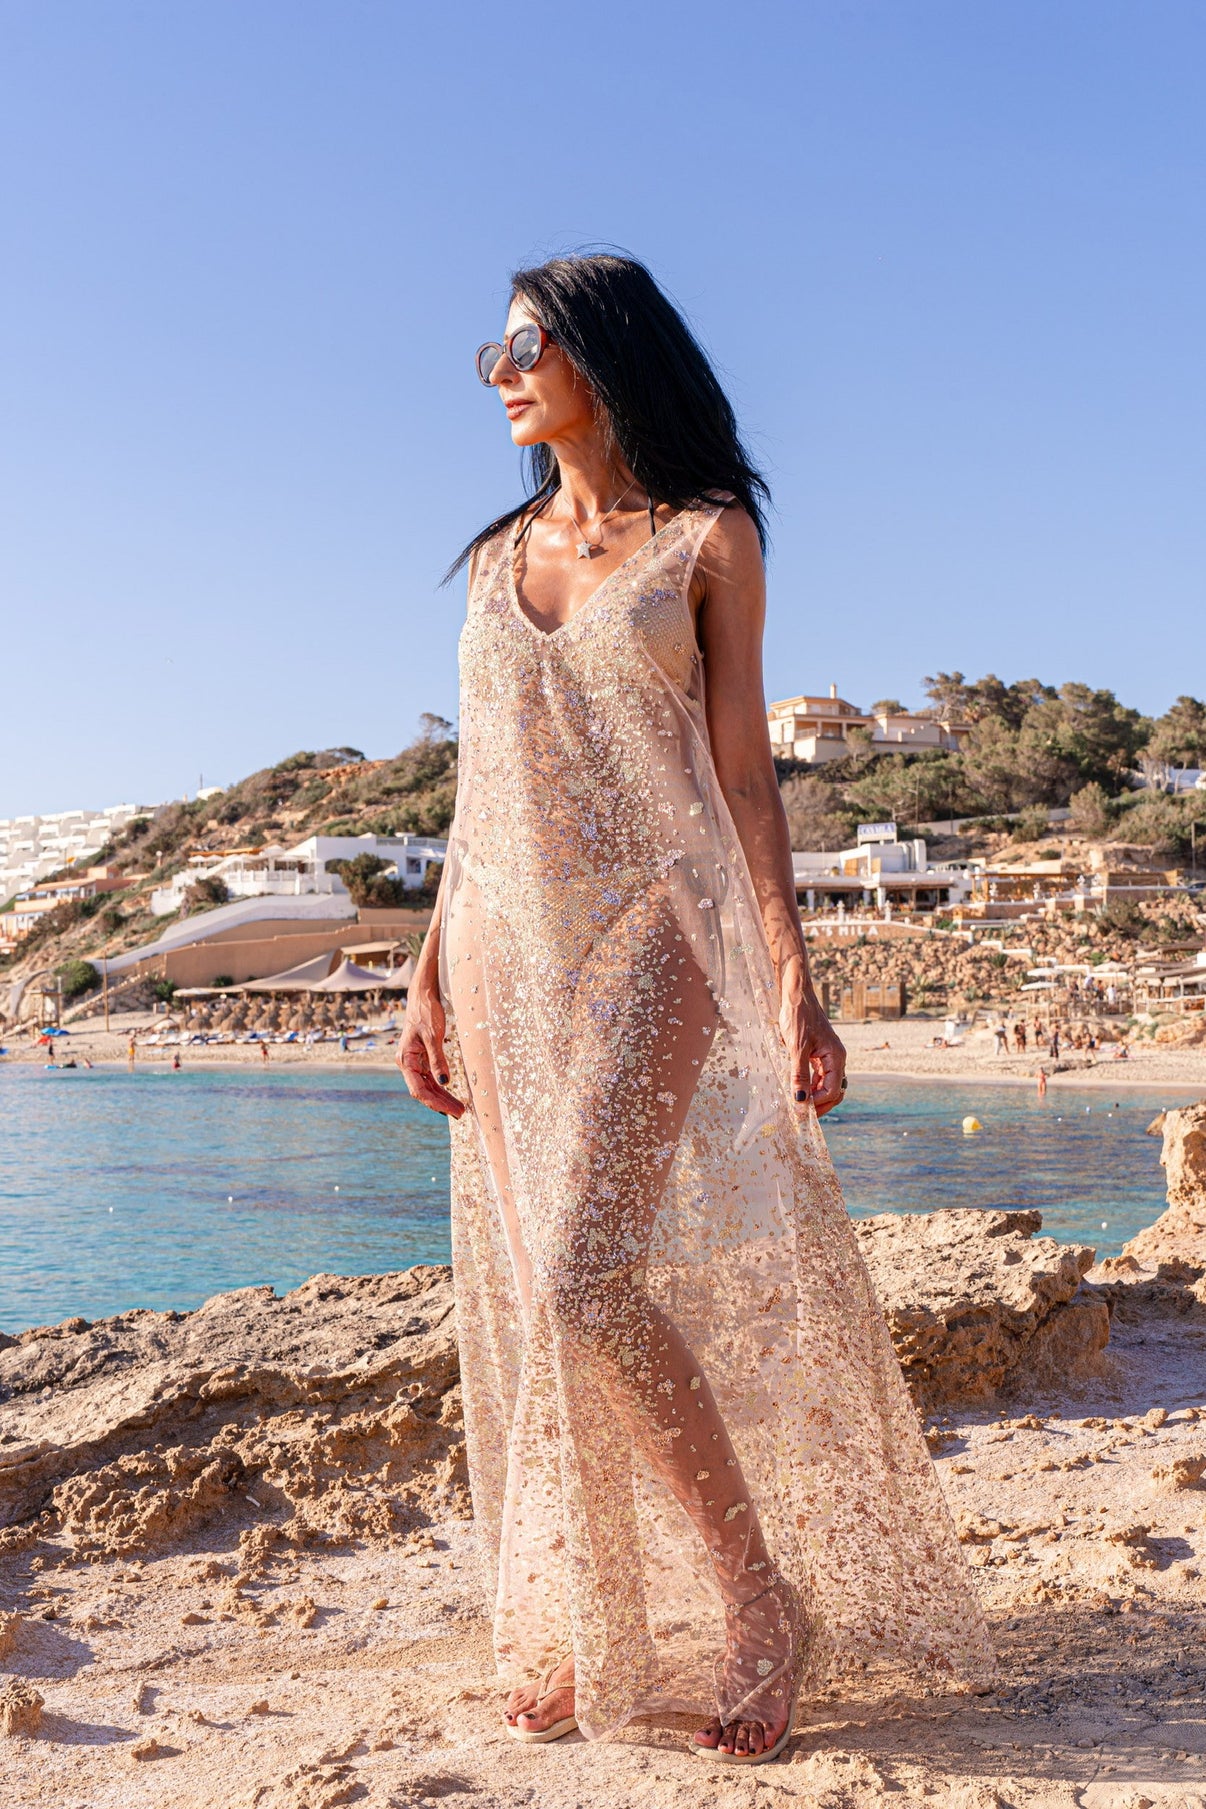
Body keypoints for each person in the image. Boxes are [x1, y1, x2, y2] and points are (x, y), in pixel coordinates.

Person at [396, 253, 991, 1763]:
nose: (500, 371)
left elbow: (740, 779)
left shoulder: (706, 541)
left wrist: (792, 978)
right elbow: (476, 796)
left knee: (586, 1277)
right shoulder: (492, 559)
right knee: (546, 1299)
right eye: (494, 347)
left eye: (527, 343)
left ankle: (754, 1600)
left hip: (660, 936)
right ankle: (581, 1611)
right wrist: (422, 967)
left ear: (605, 351)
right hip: (504, 956)